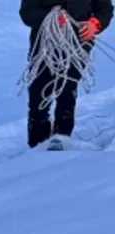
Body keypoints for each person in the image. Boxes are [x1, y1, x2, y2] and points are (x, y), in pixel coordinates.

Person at [20, 0, 111, 147]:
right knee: (39, 93)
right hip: (44, 46)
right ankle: (37, 146)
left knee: (67, 91)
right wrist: (49, 18)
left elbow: (105, 9)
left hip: (77, 45)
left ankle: (61, 141)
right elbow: (27, 13)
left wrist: (94, 24)